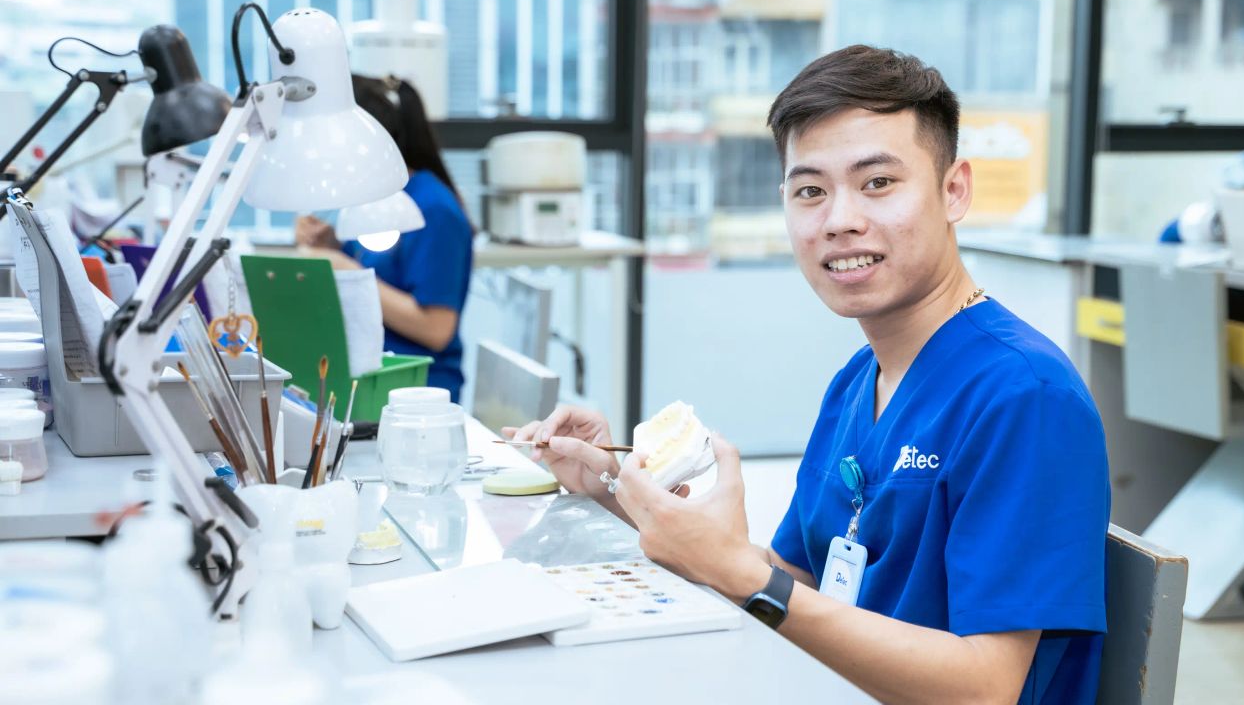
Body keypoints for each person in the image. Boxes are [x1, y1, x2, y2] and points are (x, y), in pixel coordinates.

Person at [505, 46, 1110, 704]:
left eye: (878, 182)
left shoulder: (1023, 397)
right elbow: (795, 581)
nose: (840, 220)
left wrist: (745, 577)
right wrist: (615, 485)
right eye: (810, 191)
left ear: (954, 189)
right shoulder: (860, 381)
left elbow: (983, 688)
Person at [296, 75, 474, 398]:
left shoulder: (433, 210)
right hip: (363, 380)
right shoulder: (373, 199)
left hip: (415, 393)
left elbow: (436, 328)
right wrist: (330, 247)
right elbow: (378, 269)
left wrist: (343, 269)